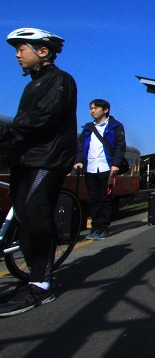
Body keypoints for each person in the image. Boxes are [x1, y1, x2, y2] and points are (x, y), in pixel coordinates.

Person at [0, 28, 77, 317]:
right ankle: (33, 275)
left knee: (35, 213)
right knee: (23, 217)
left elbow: (40, 120)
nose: (17, 54)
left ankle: (42, 285)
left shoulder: (60, 81)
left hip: (47, 160)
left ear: (42, 52)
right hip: (26, 160)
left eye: (22, 48)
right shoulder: (34, 83)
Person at [73, 99, 127, 240]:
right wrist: (79, 161)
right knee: (93, 199)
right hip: (90, 167)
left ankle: (104, 228)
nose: (92, 111)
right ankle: (95, 227)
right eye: (91, 108)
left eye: (95, 108)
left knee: (105, 198)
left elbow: (120, 147)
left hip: (106, 167)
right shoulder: (88, 128)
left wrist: (115, 164)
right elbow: (80, 147)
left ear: (105, 110)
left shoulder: (115, 126)